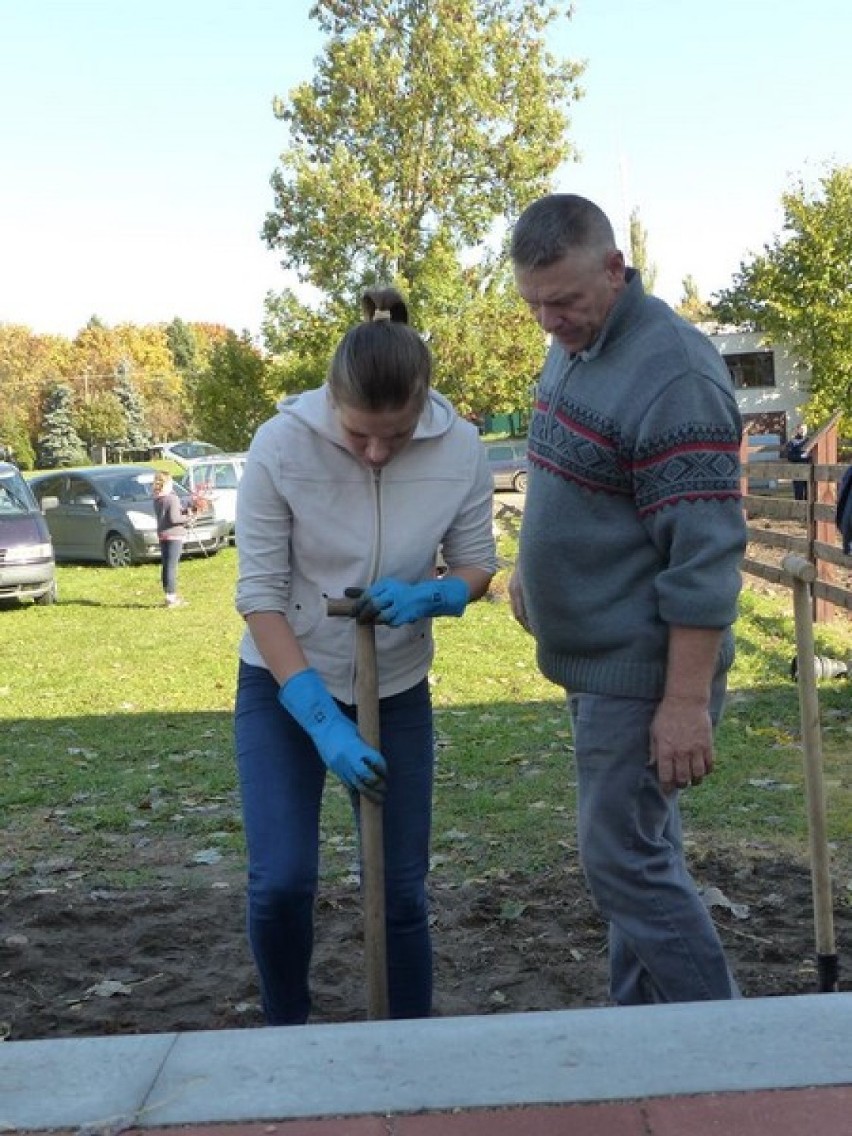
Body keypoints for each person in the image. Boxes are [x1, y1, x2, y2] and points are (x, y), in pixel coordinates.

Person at [507, 194, 747, 1006]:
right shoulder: (575, 345)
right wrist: (527, 574)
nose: (550, 321)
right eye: (534, 303)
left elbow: (705, 560)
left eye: (565, 300)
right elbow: (564, 477)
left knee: (620, 863)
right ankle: (642, 1045)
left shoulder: (672, 374)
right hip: (596, 660)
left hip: (643, 673)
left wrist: (685, 704)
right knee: (641, 856)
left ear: (615, 269)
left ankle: (724, 1055)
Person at [233, 287, 497, 1025]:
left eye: (398, 435)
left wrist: (438, 596)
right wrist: (320, 717)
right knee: (281, 880)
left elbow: (477, 564)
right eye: (360, 437)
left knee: (398, 889)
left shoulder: (461, 448)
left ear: (424, 405)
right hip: (285, 685)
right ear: (332, 403)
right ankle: (287, 1027)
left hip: (398, 687)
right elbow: (258, 594)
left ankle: (406, 1049)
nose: (378, 452)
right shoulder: (280, 445)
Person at [152, 470, 191, 607]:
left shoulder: (158, 499)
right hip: (174, 535)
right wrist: (188, 518)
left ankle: (168, 594)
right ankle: (172, 597)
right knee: (172, 567)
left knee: (166, 565)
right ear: (167, 483)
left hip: (163, 534)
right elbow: (175, 518)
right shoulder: (171, 498)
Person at [785, 424, 811, 501]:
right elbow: (789, 456)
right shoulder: (792, 442)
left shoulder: (810, 440)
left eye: (804, 429)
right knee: (799, 493)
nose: (803, 431)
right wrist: (801, 457)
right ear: (797, 430)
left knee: (809, 493)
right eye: (801, 429)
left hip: (808, 469)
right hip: (797, 470)